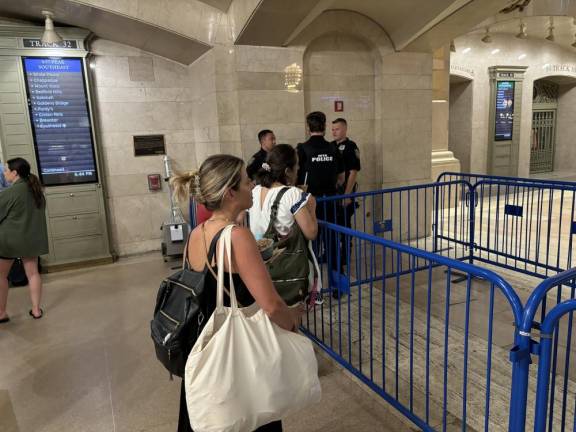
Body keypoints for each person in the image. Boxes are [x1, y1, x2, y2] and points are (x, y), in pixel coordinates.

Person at [170, 154, 302, 432]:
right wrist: (292, 325)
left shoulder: (197, 233)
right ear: (230, 192)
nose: (252, 184)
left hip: (206, 345)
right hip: (236, 353)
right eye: (245, 181)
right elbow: (271, 305)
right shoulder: (237, 237)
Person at [249, 145, 319, 305]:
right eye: (297, 165)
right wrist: (312, 207)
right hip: (288, 272)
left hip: (260, 269)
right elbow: (311, 232)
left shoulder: (255, 191)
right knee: (291, 321)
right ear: (287, 171)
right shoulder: (292, 194)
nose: (299, 168)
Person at [0, 158, 49, 323]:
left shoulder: (9, 193)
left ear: (15, 173)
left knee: (1, 276)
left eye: (6, 170)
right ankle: (36, 310)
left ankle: (1, 313)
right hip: (30, 240)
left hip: (9, 242)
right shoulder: (37, 191)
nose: (4, 173)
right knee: (33, 273)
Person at [296, 112, 345, 277]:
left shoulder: (302, 148)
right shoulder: (333, 148)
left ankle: (313, 288)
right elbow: (341, 177)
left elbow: (295, 178)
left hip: (310, 204)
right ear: (324, 127)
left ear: (308, 127)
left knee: (311, 245)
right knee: (332, 243)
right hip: (331, 201)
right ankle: (337, 285)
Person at [331, 118, 361, 266]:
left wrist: (347, 195)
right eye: (332, 129)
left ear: (344, 129)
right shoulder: (330, 146)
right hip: (332, 194)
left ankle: (345, 255)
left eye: (337, 129)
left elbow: (353, 172)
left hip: (344, 194)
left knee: (344, 226)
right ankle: (331, 254)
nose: (333, 132)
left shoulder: (350, 146)